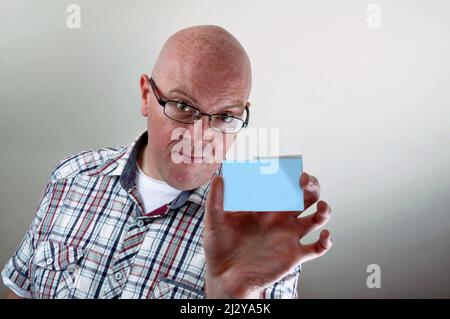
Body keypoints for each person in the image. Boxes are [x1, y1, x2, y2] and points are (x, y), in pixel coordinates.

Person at [2, 25, 332, 299]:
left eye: (226, 116)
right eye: (183, 106)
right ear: (147, 96)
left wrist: (233, 297)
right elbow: (20, 289)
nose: (201, 136)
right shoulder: (72, 175)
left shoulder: (262, 210)